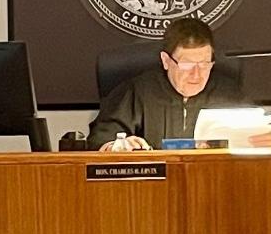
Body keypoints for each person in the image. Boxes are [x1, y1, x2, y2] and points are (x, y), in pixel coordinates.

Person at [90, 16, 247, 150]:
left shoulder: (230, 95)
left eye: (204, 63)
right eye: (187, 64)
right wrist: (120, 145)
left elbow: (254, 134)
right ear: (166, 61)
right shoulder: (137, 92)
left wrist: (265, 138)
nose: (197, 74)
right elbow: (102, 139)